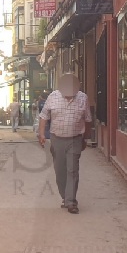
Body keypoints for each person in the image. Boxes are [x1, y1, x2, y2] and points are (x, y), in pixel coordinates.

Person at [37, 74, 91, 214]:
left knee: (72, 169)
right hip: (57, 138)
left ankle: (71, 201)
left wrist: (85, 138)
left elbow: (87, 119)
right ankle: (65, 197)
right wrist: (42, 134)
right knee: (60, 170)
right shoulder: (53, 97)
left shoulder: (83, 98)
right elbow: (44, 116)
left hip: (75, 139)